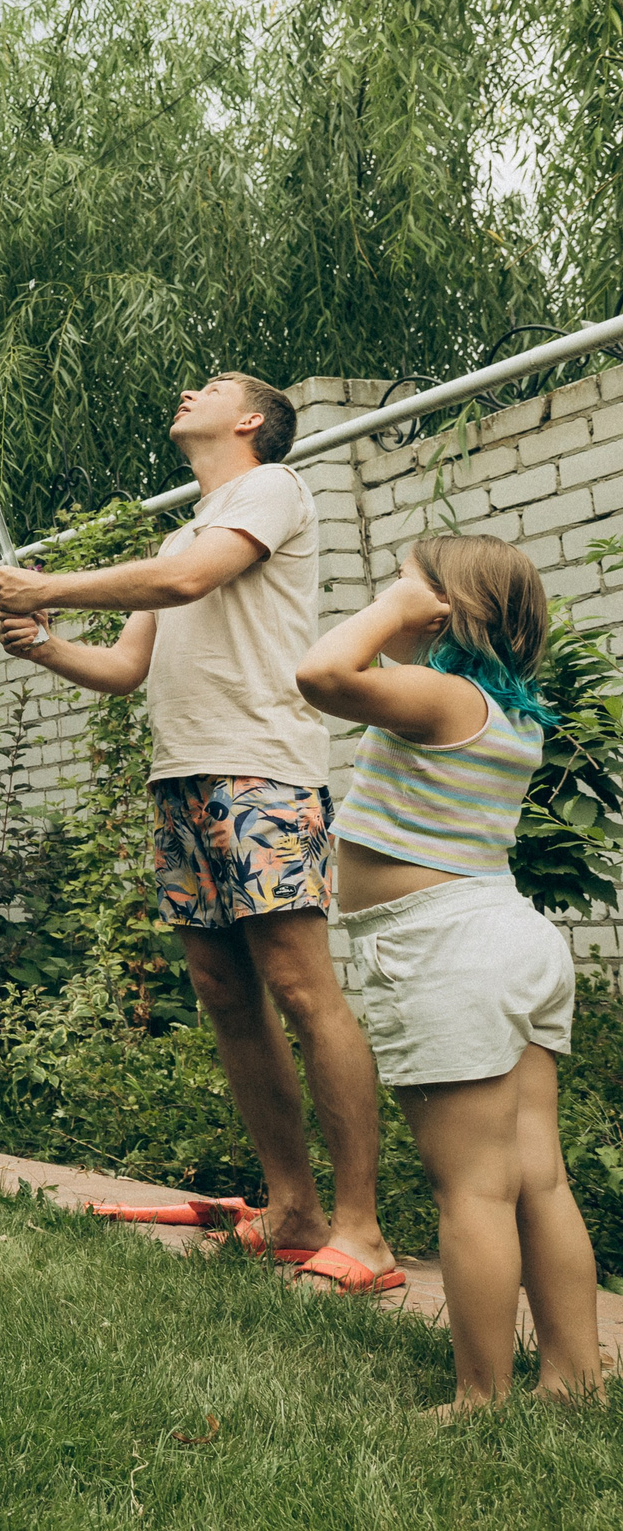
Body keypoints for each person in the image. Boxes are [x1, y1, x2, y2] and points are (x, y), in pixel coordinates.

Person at [0, 372, 398, 1292]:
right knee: (223, 988)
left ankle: (365, 1230)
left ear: (251, 420)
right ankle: (292, 1208)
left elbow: (187, 580)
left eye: (210, 386)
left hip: (263, 770)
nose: (182, 389)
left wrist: (47, 581)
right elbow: (128, 667)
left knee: (299, 982)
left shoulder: (271, 489)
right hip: (183, 775)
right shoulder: (184, 529)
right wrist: (44, 641)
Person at [298, 537, 602, 1411]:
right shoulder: (511, 713)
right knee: (536, 1174)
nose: (391, 593)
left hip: (444, 946)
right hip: (509, 937)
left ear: (448, 611)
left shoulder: (438, 694)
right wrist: (408, 606)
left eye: (407, 581)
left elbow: (320, 673)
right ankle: (575, 1377)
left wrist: (393, 613)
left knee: (471, 1183)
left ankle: (481, 1396)